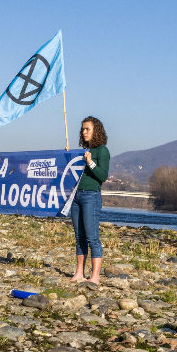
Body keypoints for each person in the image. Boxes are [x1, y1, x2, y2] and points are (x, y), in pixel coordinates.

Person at [70, 116, 111, 285]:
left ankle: (95, 277)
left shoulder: (103, 151)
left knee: (92, 237)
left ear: (96, 131)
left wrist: (90, 162)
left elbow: (103, 176)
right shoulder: (82, 150)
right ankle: (79, 272)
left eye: (87, 129)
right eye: (83, 129)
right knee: (79, 236)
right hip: (76, 196)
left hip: (91, 196)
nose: (84, 132)